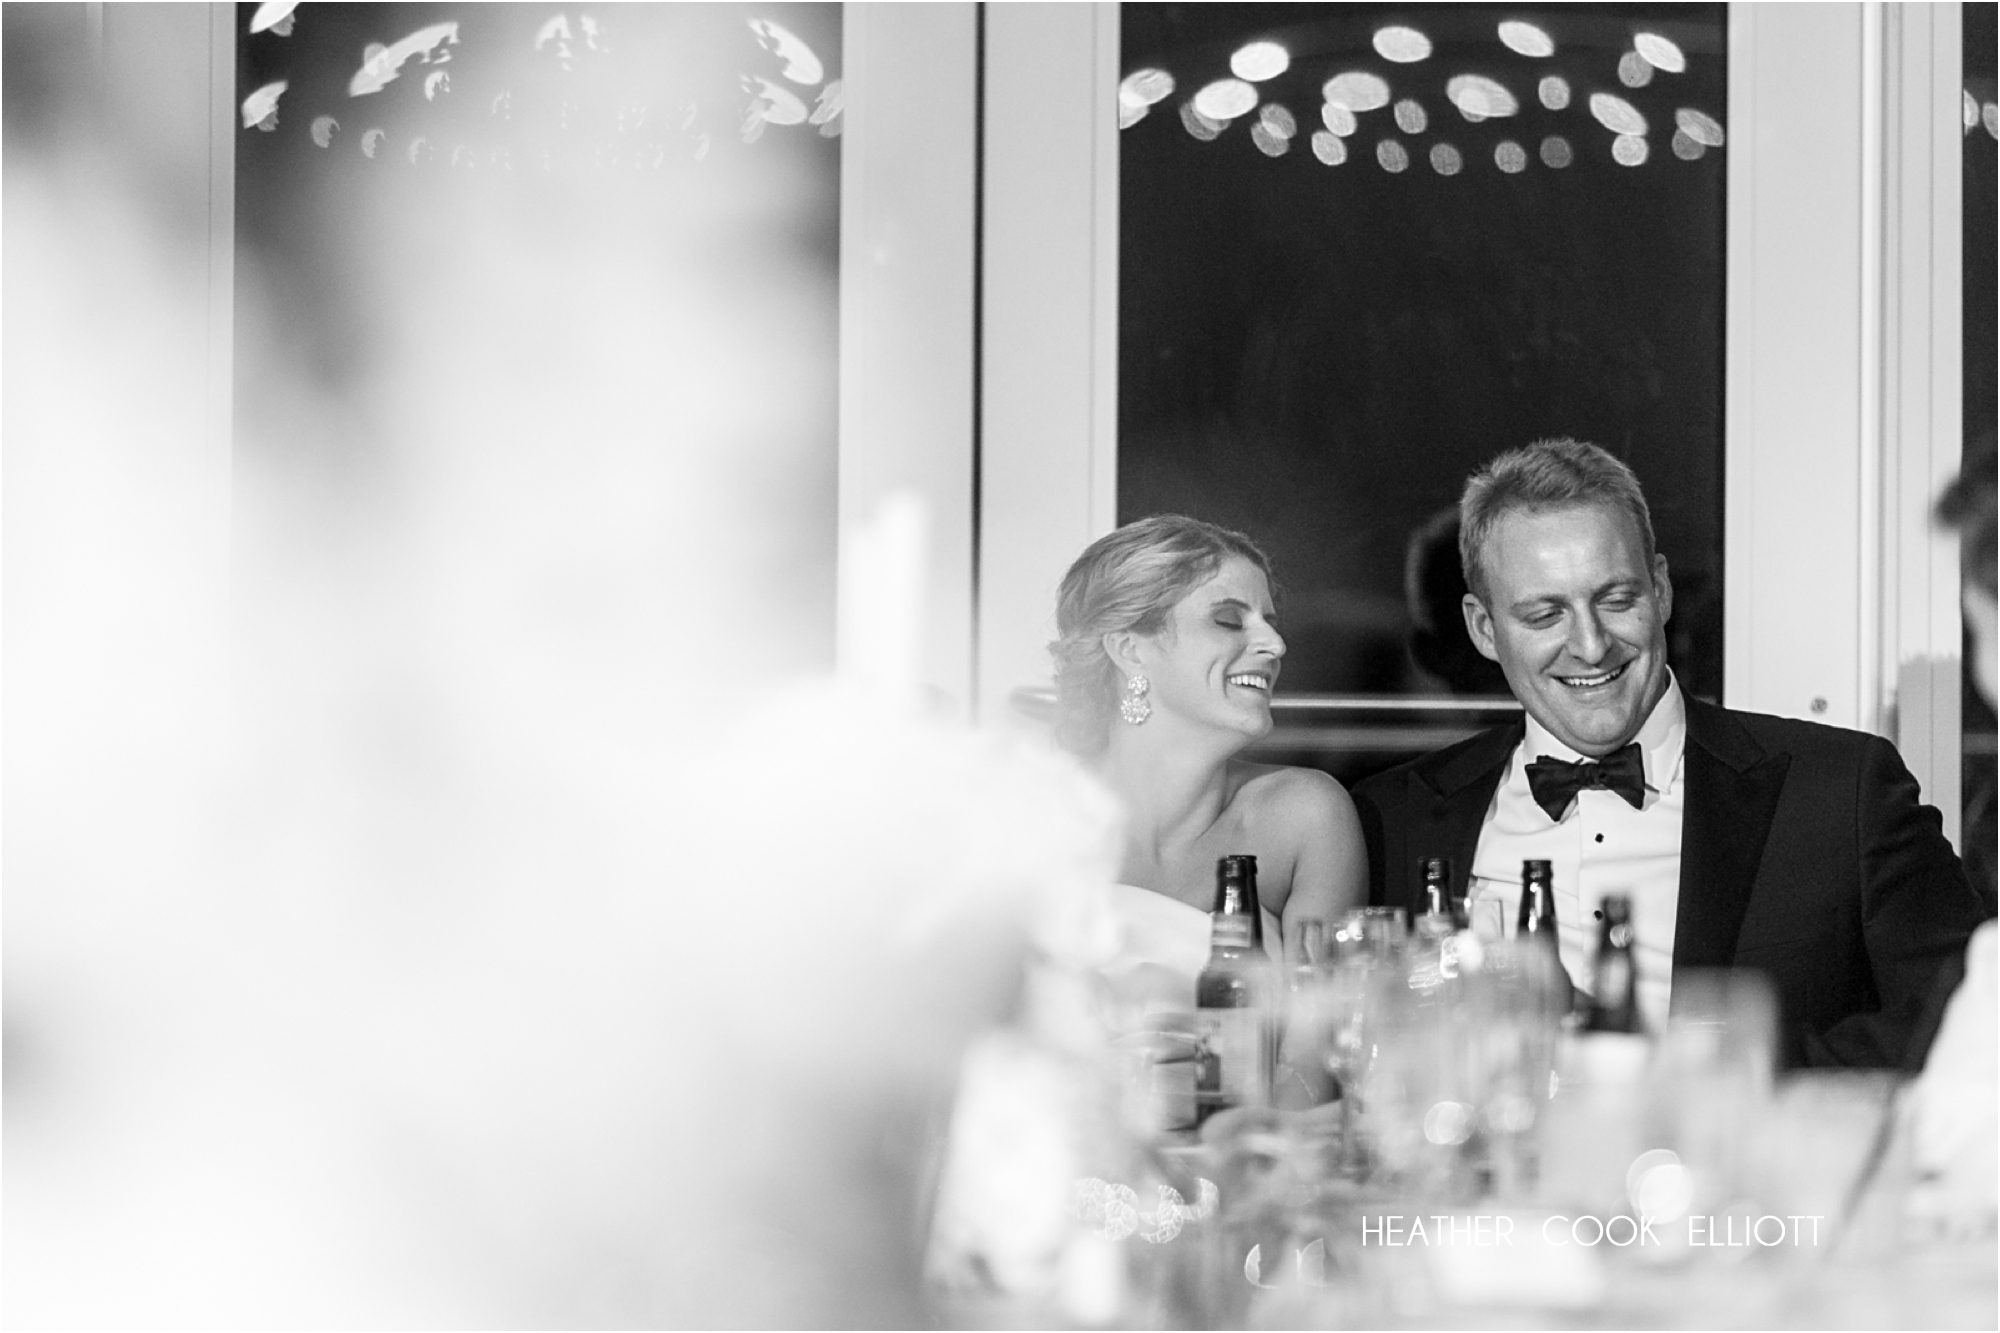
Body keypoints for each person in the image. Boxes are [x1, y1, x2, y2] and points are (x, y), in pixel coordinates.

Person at [1351, 438, 1989, 1069]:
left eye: (1616, 600)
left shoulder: (1840, 792)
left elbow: (1969, 1021)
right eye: (1545, 616)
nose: (1591, 646)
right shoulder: (1390, 820)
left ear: (1659, 589)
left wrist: (1715, 1079)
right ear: (1484, 629)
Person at [1051, 515, 1366, 1011]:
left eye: (1270, 622)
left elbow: (1319, 1043)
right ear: (1130, 650)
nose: (1275, 646)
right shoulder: (1029, 819)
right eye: (1228, 620)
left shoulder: (1303, 816)